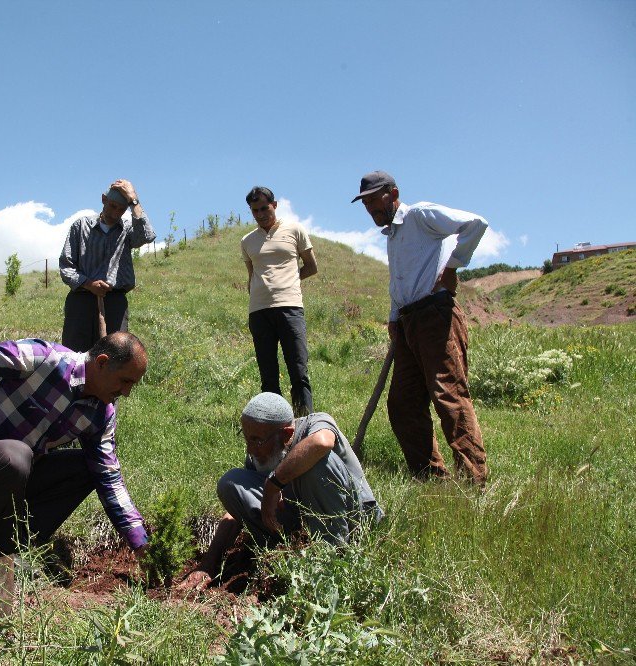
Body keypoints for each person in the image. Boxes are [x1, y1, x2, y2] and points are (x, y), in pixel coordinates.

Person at [0, 331, 150, 557]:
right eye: (125, 381)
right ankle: (0, 550)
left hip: (14, 476)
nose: (127, 392)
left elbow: (109, 477)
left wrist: (138, 540)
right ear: (102, 363)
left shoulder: (100, 415)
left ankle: (22, 538)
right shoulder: (46, 359)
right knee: (15, 455)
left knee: (86, 469)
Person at [351, 170, 489, 485]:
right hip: (408, 323)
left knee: (448, 397)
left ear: (393, 193)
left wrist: (453, 266)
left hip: (435, 316)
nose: (370, 208)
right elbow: (400, 280)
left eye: (375, 199)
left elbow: (475, 224)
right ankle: (432, 479)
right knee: (403, 404)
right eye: (365, 203)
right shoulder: (393, 236)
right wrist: (394, 318)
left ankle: (475, 482)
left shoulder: (420, 215)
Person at [177, 393, 382, 591]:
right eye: (246, 438)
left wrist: (273, 484)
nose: (250, 449)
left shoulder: (316, 423)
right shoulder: (260, 455)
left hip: (355, 521)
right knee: (231, 483)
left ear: (287, 434)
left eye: (257, 440)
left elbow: (322, 443)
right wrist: (208, 563)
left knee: (318, 461)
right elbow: (236, 514)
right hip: (303, 521)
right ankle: (284, 556)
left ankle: (331, 561)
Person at [241, 186, 318, 416]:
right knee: (268, 375)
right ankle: (274, 424)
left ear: (275, 205)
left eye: (265, 208)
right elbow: (251, 275)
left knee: (298, 370)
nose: (261, 214)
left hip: (290, 308)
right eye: (255, 210)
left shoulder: (295, 230)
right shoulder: (247, 241)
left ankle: (304, 421)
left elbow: (312, 267)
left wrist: (291, 280)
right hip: (259, 311)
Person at [59, 179, 156, 352]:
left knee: (114, 355)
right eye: (112, 206)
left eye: (121, 209)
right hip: (81, 300)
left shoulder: (127, 230)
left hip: (114, 302)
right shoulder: (81, 226)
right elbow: (67, 266)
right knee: (74, 355)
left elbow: (147, 236)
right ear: (103, 199)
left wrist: (134, 201)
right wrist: (89, 284)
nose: (116, 212)